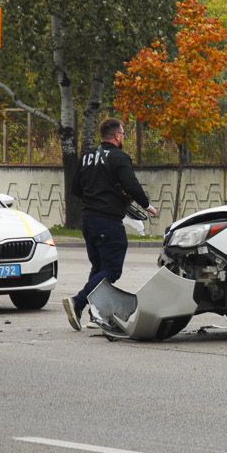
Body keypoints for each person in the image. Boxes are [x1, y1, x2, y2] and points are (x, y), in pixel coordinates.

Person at [63, 118, 159, 330]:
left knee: (98, 267)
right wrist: (147, 206)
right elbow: (131, 185)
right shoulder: (118, 157)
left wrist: (96, 195)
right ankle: (78, 302)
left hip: (88, 220)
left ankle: (94, 314)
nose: (123, 137)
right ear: (116, 136)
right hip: (108, 221)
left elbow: (76, 188)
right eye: (123, 134)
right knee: (112, 269)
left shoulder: (87, 157)